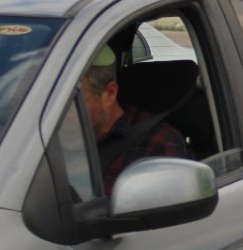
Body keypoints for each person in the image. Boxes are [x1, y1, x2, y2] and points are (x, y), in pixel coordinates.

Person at [78, 44, 190, 196]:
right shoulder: (48, 139)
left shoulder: (158, 144)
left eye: (72, 102)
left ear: (110, 93)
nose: (62, 113)